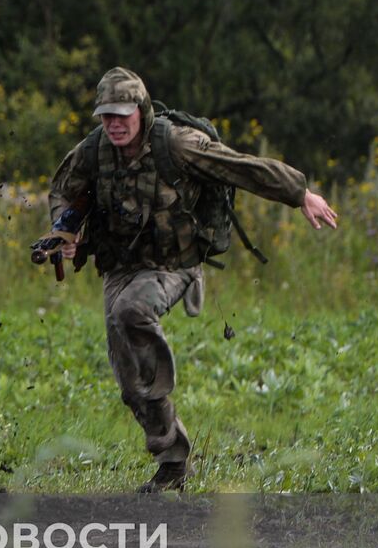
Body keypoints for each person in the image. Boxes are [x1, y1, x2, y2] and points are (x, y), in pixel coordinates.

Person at [45, 67, 338, 492]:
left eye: (122, 114)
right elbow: (63, 190)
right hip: (121, 267)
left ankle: (164, 404)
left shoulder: (177, 144)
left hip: (173, 264)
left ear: (141, 111)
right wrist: (64, 232)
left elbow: (241, 167)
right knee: (131, 385)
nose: (114, 123)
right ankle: (173, 461)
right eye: (106, 115)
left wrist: (299, 193)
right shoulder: (94, 152)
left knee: (133, 310)